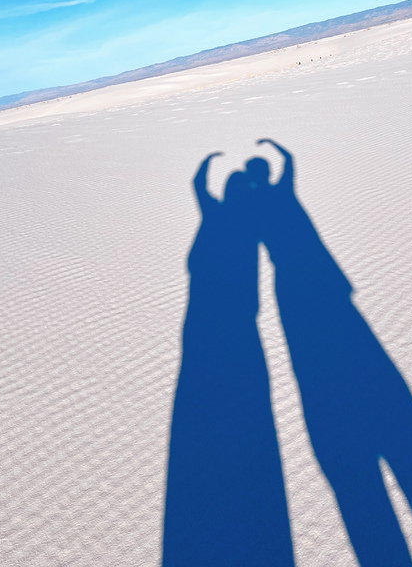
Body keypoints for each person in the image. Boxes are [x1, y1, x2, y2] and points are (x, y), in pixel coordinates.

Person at [252, 139, 412, 567]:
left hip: (294, 290)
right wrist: (272, 148)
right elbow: (289, 162)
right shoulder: (282, 194)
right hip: (325, 287)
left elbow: (219, 203)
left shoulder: (256, 210)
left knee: (311, 361)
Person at [163, 153, 294, 566]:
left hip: (208, 326)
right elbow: (278, 190)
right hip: (233, 327)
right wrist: (282, 162)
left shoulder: (219, 215)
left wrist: (206, 163)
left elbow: (199, 187)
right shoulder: (250, 219)